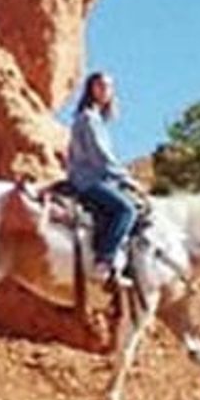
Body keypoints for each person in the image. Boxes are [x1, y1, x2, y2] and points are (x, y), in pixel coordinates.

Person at [67, 71, 144, 285]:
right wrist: (127, 179)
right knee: (126, 209)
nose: (105, 90)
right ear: (91, 89)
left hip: (94, 177)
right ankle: (104, 260)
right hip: (89, 179)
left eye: (109, 86)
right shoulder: (89, 119)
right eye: (100, 85)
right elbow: (101, 157)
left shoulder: (94, 119)